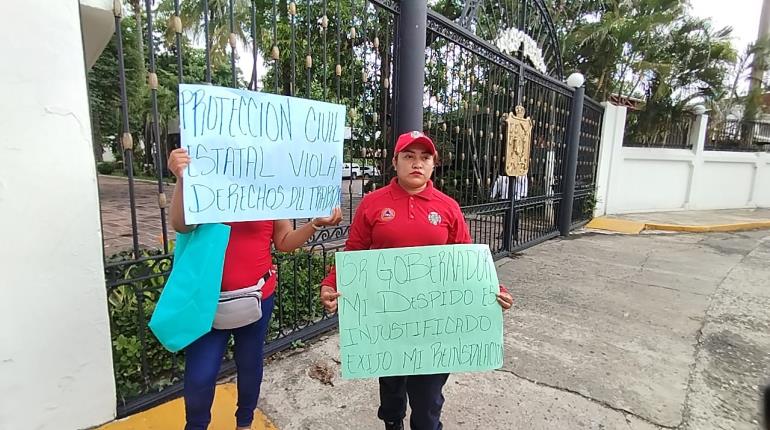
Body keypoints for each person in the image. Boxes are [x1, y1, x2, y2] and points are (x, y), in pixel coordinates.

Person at [319, 131, 514, 430]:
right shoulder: (372, 204)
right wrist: (331, 283)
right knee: (392, 390)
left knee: (427, 403)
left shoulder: (448, 207)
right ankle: (393, 422)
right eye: (409, 156)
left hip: (435, 322)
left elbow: (467, 260)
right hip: (387, 320)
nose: (417, 163)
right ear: (395, 161)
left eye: (425, 157)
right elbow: (354, 252)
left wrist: (494, 290)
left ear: (434, 164)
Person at [167, 147, 343, 430]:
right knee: (200, 376)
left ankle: (245, 423)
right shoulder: (207, 180)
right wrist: (182, 179)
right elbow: (181, 225)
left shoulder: (269, 189)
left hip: (258, 298)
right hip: (206, 302)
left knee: (250, 365)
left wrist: (314, 224)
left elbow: (284, 241)